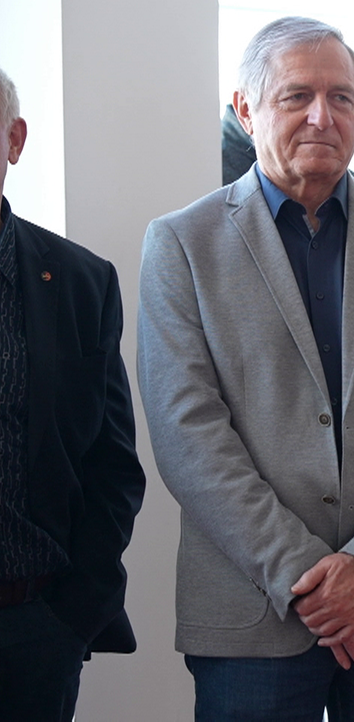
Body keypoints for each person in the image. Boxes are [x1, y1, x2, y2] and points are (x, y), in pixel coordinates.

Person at [137, 17, 354, 721]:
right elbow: (187, 432)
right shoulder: (182, 244)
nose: (323, 116)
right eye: (297, 96)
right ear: (246, 110)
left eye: (341, 97)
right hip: (251, 614)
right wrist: (307, 577)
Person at [0, 67, 146, 721]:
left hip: (34, 630)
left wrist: (73, 616)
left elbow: (113, 466)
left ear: (14, 140)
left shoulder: (82, 281)